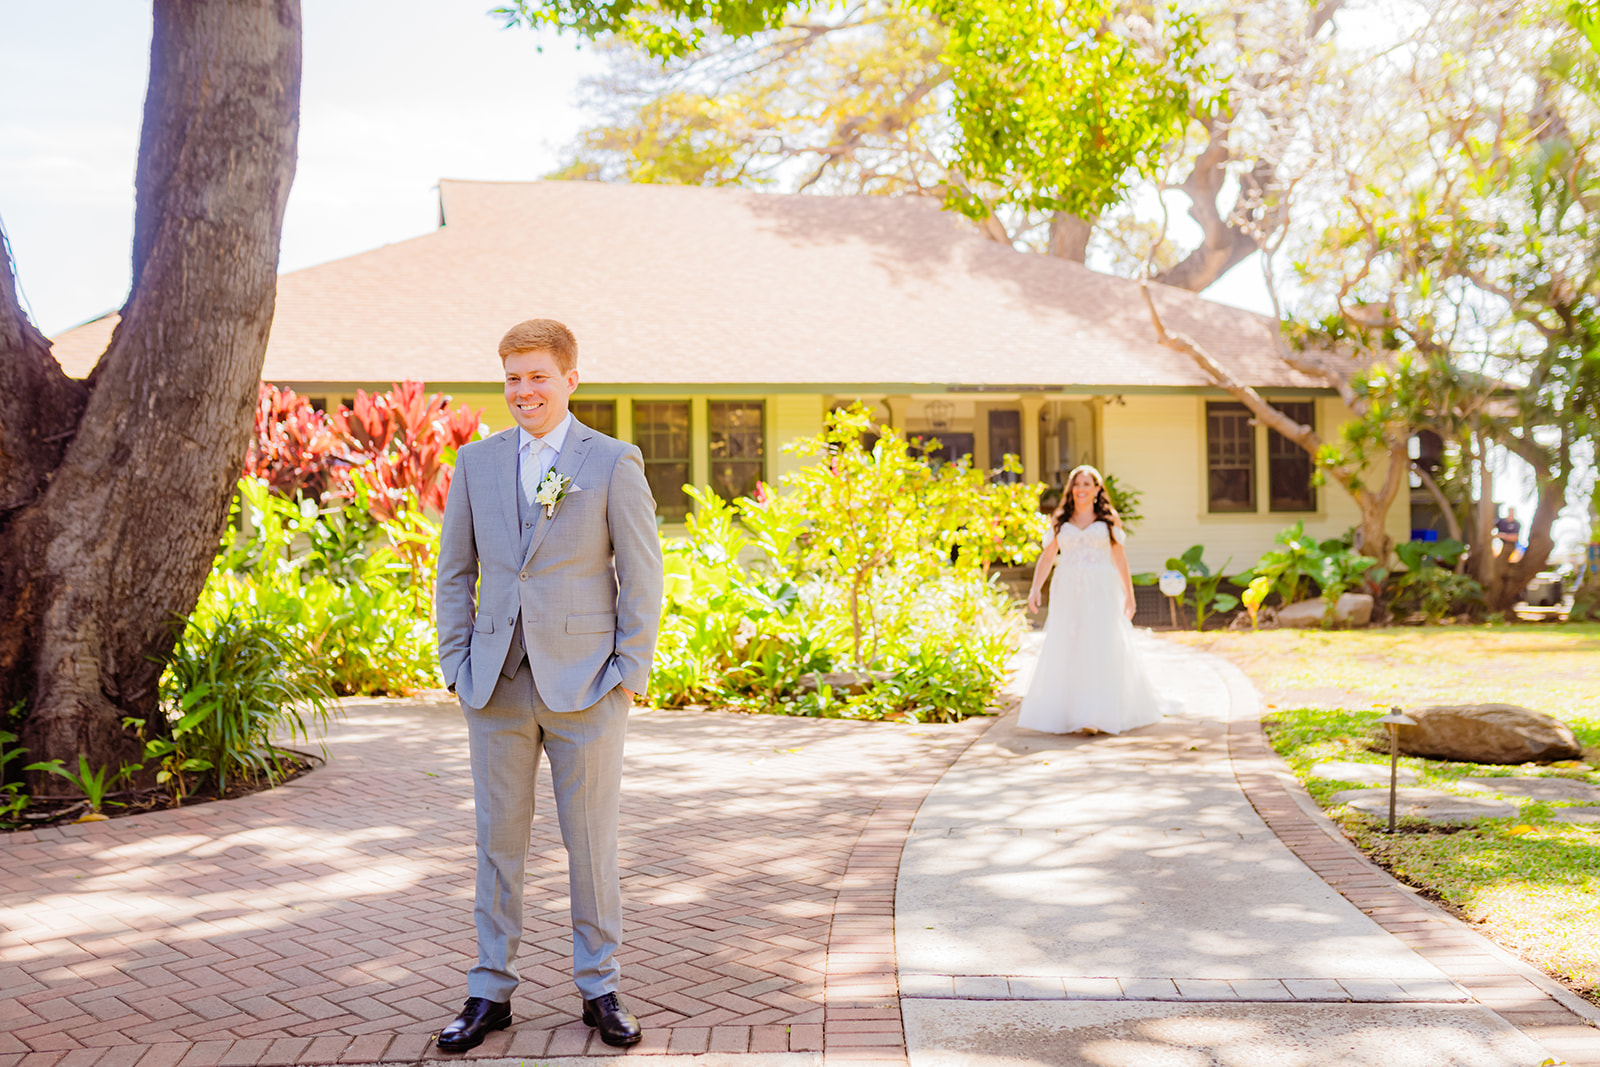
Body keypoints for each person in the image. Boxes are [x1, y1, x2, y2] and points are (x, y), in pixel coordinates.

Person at [433, 318, 664, 1051]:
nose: (522, 390)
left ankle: (600, 986)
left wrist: (628, 672)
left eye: (537, 375)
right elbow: (456, 574)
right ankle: (489, 991)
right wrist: (455, 663)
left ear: (570, 378)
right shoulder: (476, 462)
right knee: (496, 844)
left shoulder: (612, 461)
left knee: (590, 844)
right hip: (495, 686)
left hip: (588, 685)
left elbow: (642, 574)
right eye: (511, 377)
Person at [1018, 464, 1162, 735]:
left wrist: (1130, 596)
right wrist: (1035, 588)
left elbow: (1119, 557)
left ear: (1097, 489)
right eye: (1077, 484)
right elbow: (1048, 556)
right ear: (1070, 489)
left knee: (1100, 644)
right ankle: (1071, 711)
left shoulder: (1109, 519)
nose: (1081, 489)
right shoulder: (1060, 519)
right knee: (1070, 644)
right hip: (1068, 590)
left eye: (1087, 484)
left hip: (1102, 589)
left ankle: (1097, 714)